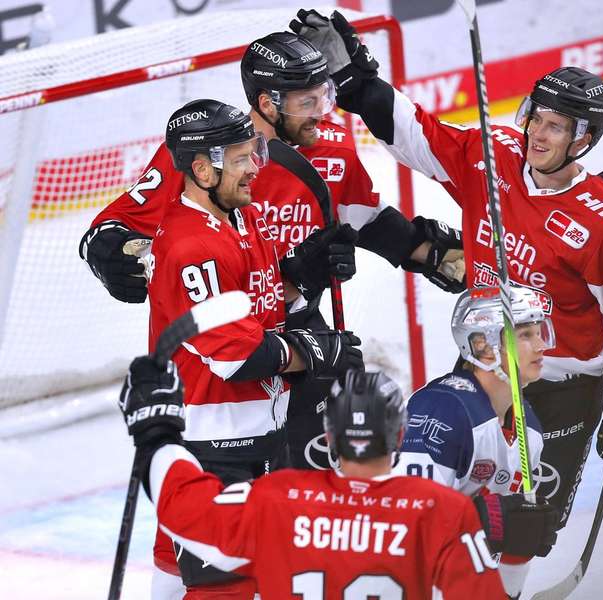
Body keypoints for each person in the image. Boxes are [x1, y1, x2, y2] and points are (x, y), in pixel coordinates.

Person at [291, 9, 603, 533]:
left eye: (556, 127)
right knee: (442, 510)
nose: (537, 133)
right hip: (480, 370)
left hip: (559, 388)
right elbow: (413, 133)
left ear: (583, 139)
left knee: (525, 529)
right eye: (536, 117)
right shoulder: (492, 158)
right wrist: (358, 85)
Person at [78, 31, 465, 473]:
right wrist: (112, 254)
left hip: (300, 327)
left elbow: (363, 217)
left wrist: (433, 252)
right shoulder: (206, 154)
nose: (322, 112)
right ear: (266, 104)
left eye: (326, 95)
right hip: (229, 344)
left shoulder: (333, 148)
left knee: (318, 486)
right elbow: (115, 228)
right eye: (307, 102)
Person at [148, 98, 364, 598]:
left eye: (255, 153)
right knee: (224, 583)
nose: (255, 170)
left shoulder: (244, 220)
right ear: (202, 169)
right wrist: (313, 351)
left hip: (258, 432)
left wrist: (303, 273)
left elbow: (260, 307)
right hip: (211, 445)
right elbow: (234, 356)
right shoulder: (189, 247)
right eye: (243, 159)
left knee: (196, 562)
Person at [116, 355, 508, 599]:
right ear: (401, 434)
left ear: (330, 435)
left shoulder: (278, 499)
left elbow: (184, 506)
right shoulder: (443, 512)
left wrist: (158, 434)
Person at [395, 286, 560, 599]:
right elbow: (404, 526)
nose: (541, 346)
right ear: (482, 346)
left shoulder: (528, 425)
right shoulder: (444, 410)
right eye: (525, 335)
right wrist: (484, 520)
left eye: (541, 333)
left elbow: (510, 533)